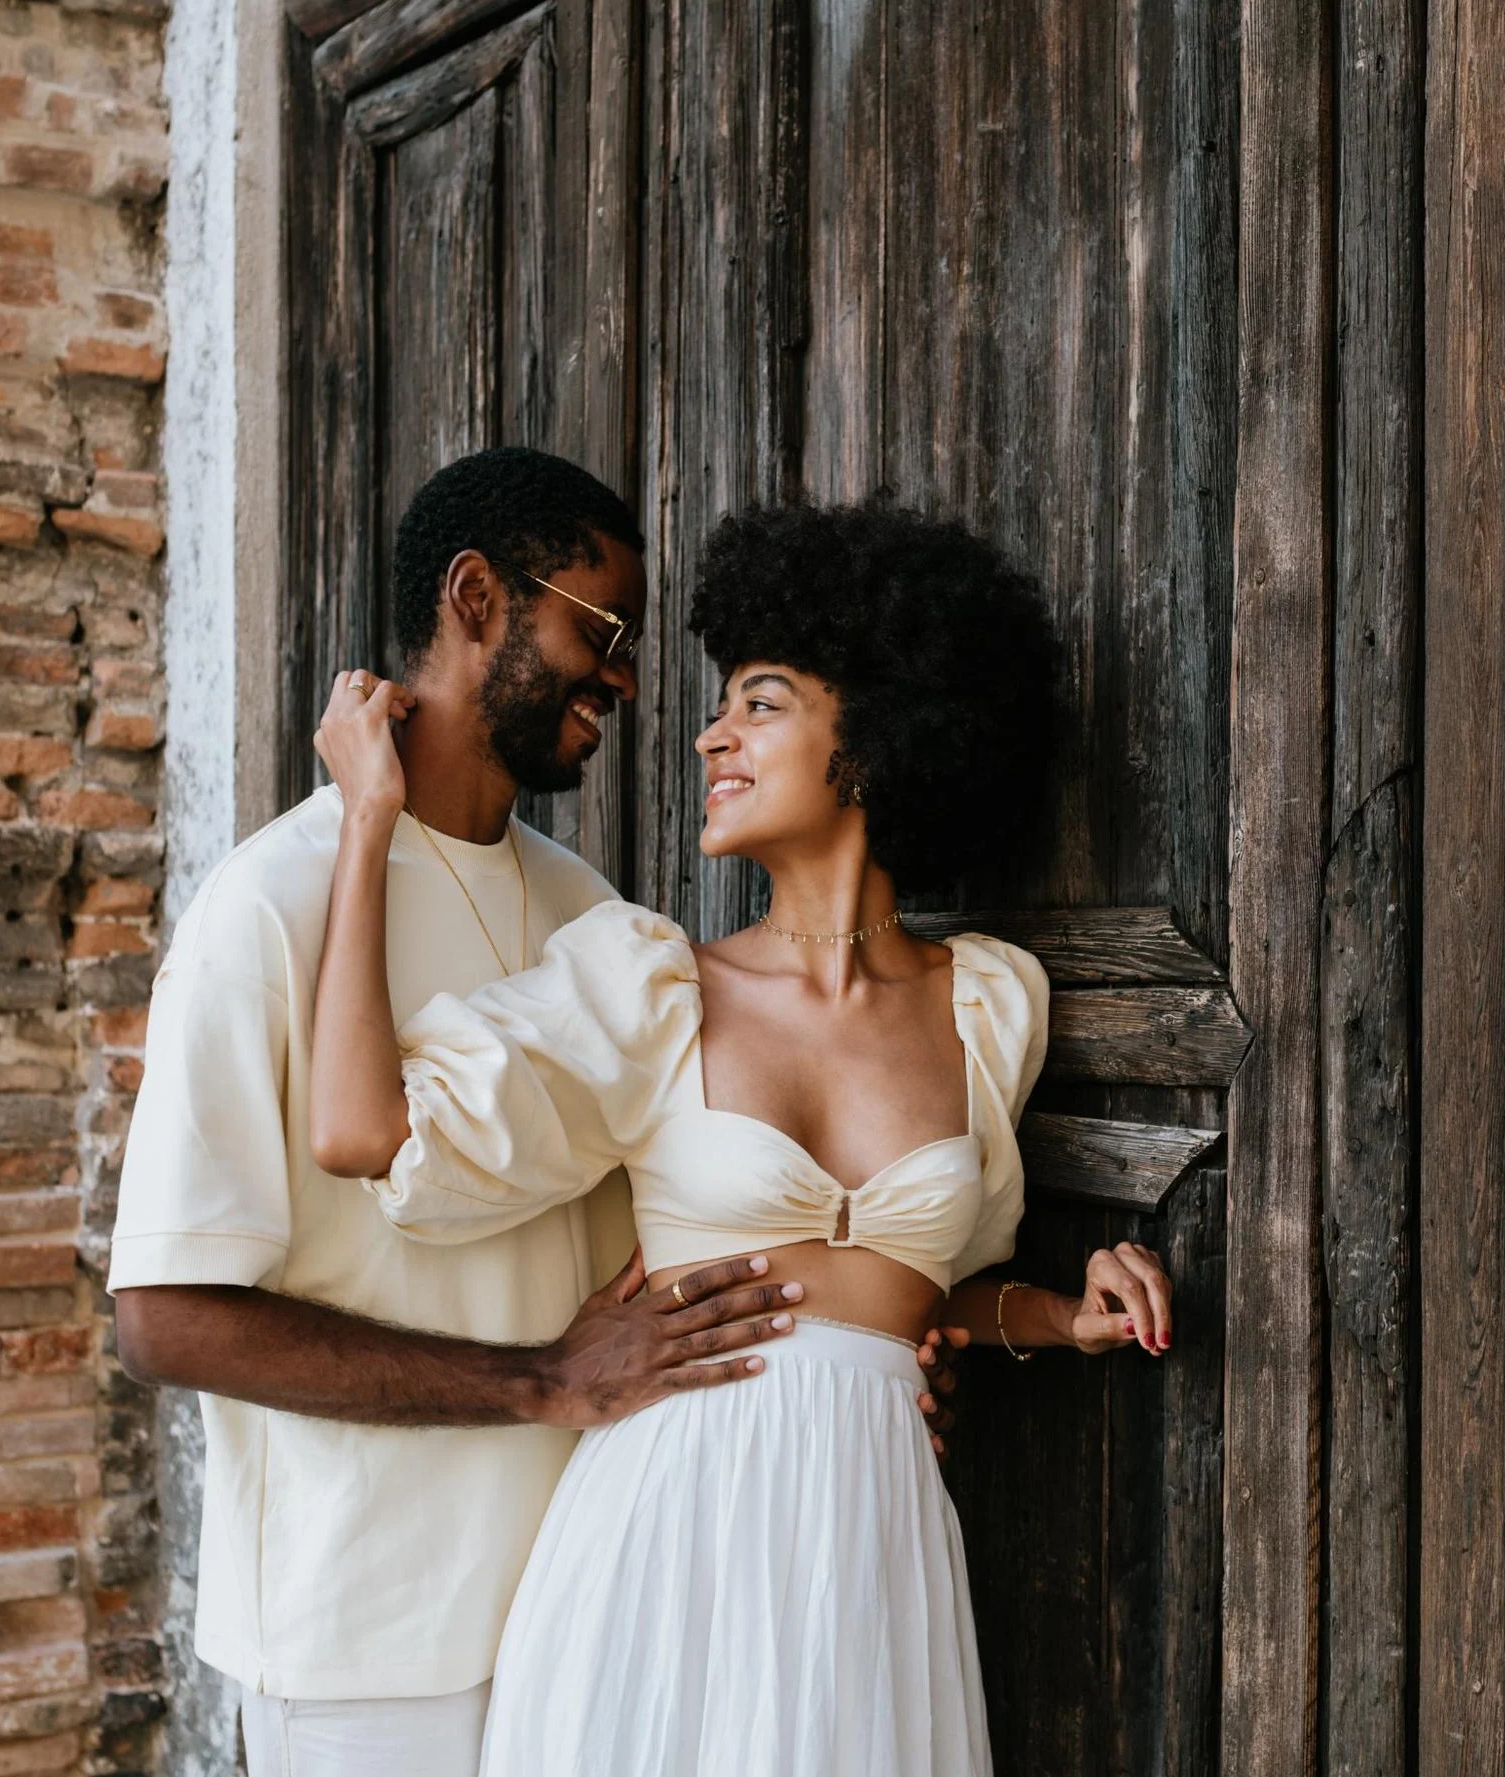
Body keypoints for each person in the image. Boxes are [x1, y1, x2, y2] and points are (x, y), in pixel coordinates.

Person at [309, 498, 1175, 1777]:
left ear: (876, 734)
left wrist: (1068, 1313)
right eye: (722, 708)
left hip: (867, 1556)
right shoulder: (651, 988)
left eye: (759, 705)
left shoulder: (989, 1009)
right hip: (662, 1537)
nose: (710, 734)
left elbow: (919, 1299)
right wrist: (366, 816)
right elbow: (358, 1132)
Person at [108, 450, 895, 1777]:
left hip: (596, 1606)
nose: (627, 680)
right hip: (369, 1653)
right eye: (602, 631)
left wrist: (872, 1364)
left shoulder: (593, 914)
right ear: (476, 598)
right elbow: (165, 1317)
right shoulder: (270, 908)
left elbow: (678, 1239)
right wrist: (538, 1381)